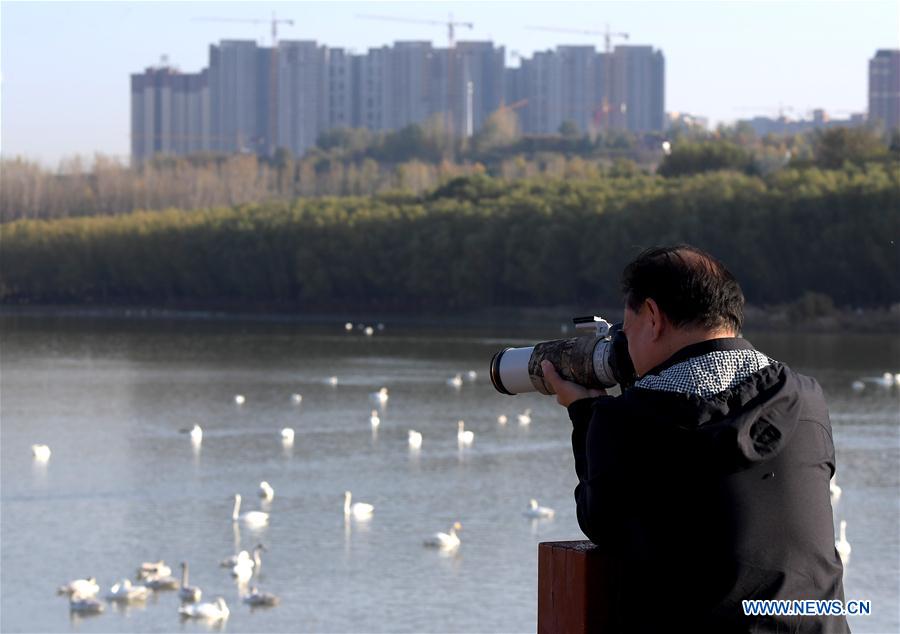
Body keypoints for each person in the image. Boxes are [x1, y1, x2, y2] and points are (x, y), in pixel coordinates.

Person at [541, 245, 848, 633]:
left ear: (653, 317)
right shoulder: (807, 398)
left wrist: (585, 413)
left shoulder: (627, 420)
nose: (625, 345)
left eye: (627, 329)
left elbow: (602, 523)